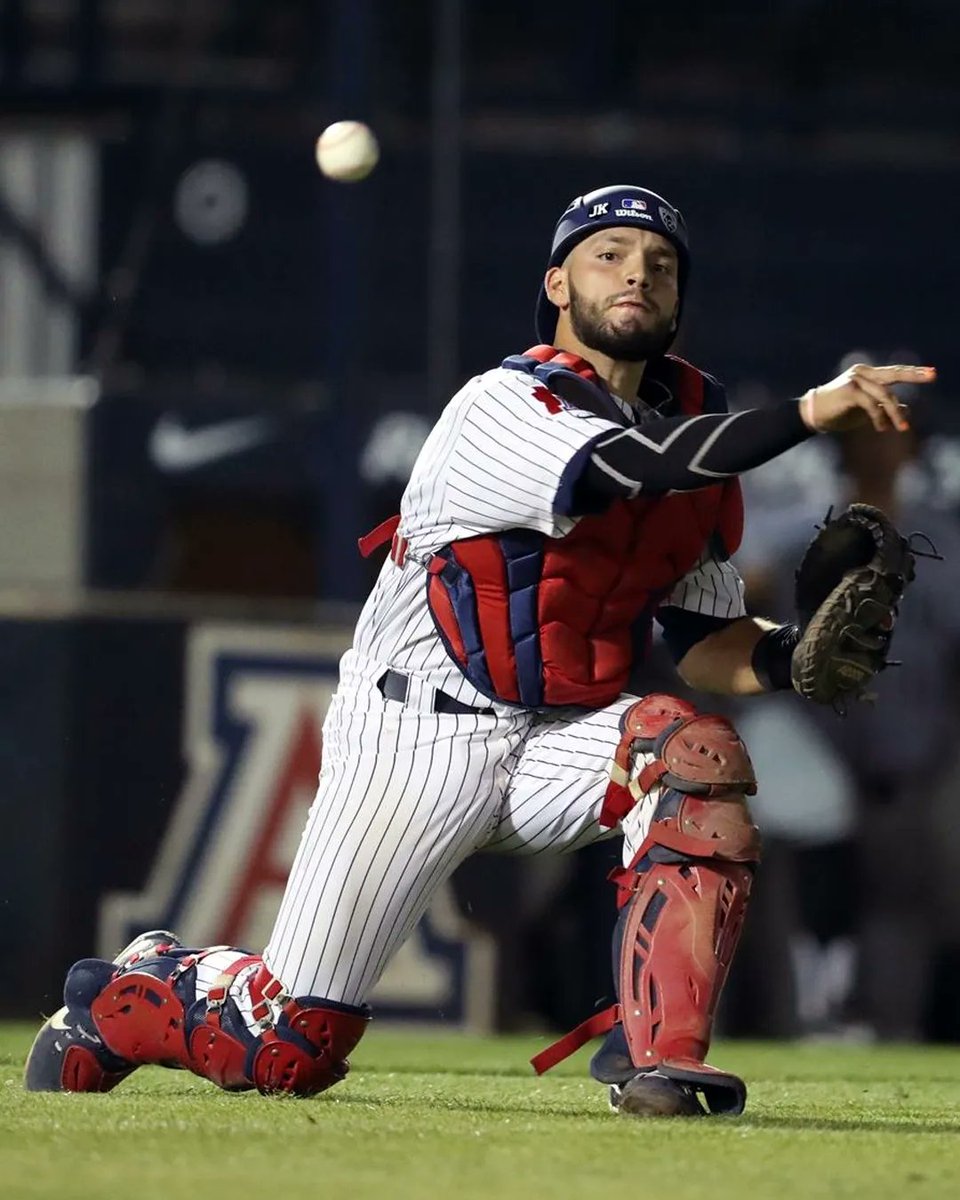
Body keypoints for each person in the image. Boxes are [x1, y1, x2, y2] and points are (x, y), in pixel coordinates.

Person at [24, 185, 934, 1117]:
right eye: (609, 253)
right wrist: (813, 413)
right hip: (416, 734)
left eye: (660, 264)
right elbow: (623, 469)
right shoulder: (500, 404)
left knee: (693, 753)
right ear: (557, 283)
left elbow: (700, 640)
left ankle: (660, 1060)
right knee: (287, 1049)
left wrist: (792, 660)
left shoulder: (697, 428)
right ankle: (133, 993)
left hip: (557, 738)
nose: (637, 273)